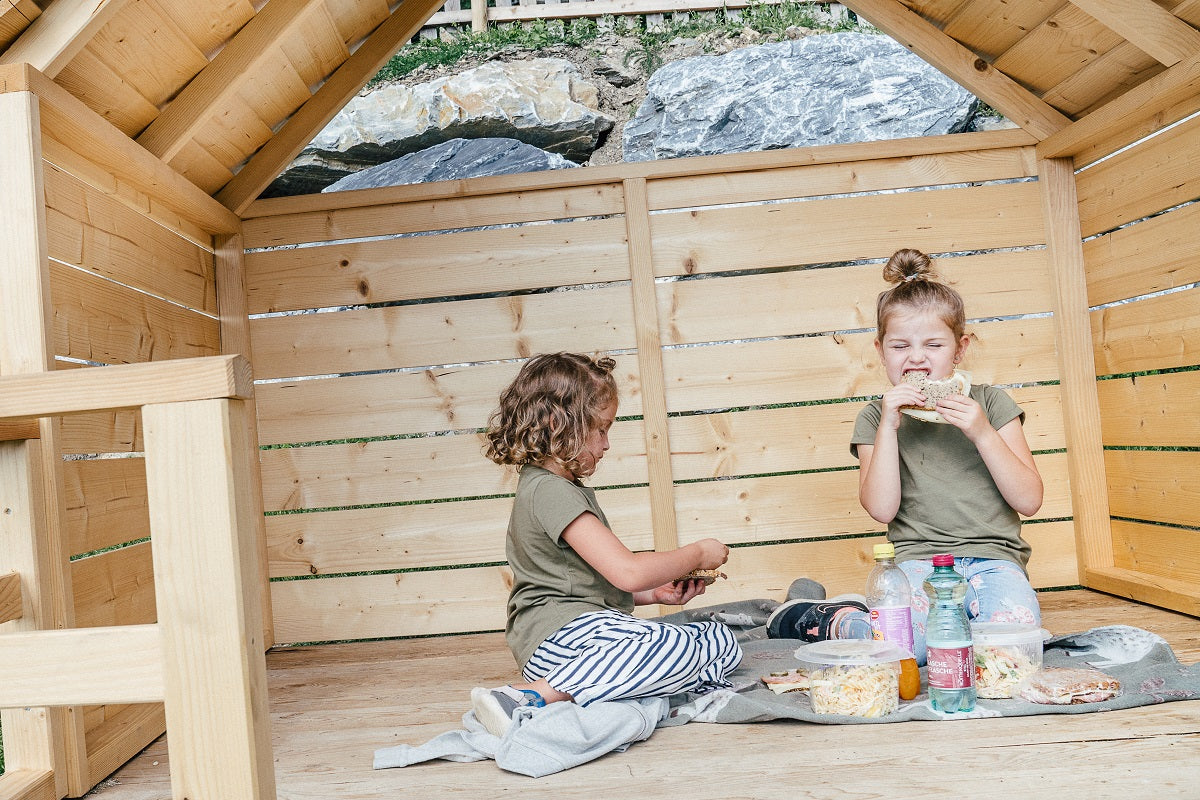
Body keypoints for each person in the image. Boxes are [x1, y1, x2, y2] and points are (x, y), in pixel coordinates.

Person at [767, 249, 1044, 664]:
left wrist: (982, 432)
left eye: (933, 344)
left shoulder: (991, 404)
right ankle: (829, 618)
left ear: (960, 348)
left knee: (1009, 653)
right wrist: (888, 429)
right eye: (900, 346)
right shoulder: (877, 417)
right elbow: (881, 509)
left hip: (995, 561)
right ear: (881, 351)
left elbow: (1030, 501)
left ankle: (922, 618)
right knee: (904, 651)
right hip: (917, 563)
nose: (916, 358)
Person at [471, 352, 742, 737]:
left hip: (586, 633)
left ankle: (601, 685)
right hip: (558, 636)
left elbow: (587, 583)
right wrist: (697, 553)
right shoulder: (550, 491)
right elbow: (627, 571)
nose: (607, 444)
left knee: (720, 641)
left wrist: (654, 594)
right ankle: (530, 696)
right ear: (558, 424)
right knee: (679, 645)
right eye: (601, 429)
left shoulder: (556, 488)